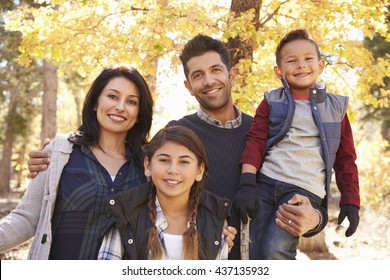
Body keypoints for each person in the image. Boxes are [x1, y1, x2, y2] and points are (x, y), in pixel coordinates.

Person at [26, 34, 327, 260]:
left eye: (216, 70)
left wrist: (315, 220)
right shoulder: (176, 136)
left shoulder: (266, 131)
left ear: (231, 74)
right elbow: (133, 178)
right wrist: (55, 157)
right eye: (198, 75)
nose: (209, 81)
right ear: (188, 85)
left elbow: (303, 184)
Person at [0, 65, 154, 259]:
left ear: (139, 113)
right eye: (113, 96)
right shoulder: (59, 152)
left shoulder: (148, 166)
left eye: (131, 102)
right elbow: (26, 219)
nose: (120, 107)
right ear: (95, 103)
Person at [235, 29, 360, 260]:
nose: (301, 65)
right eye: (292, 61)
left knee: (275, 249)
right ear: (279, 71)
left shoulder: (336, 108)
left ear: (321, 65)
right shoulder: (272, 101)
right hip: (265, 183)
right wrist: (247, 182)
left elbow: (346, 160)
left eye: (308, 59)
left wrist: (350, 201)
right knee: (250, 250)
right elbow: (256, 141)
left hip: (302, 190)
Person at [98, 125, 231, 260]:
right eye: (164, 160)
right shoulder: (125, 213)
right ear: (148, 165)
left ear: (199, 170)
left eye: (184, 162)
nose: (173, 170)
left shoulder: (215, 216)